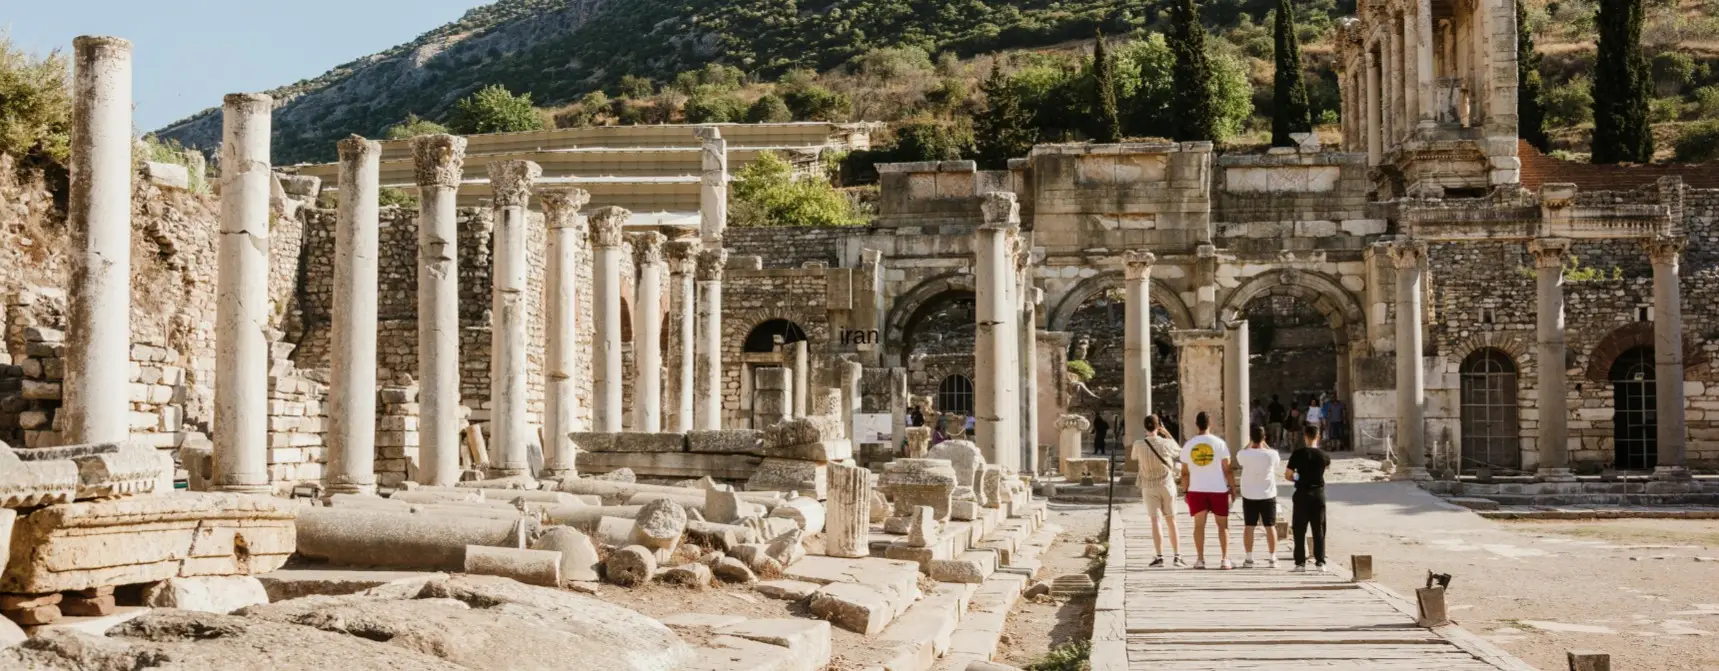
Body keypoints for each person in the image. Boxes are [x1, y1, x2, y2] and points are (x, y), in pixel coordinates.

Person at [1179, 411, 1237, 570]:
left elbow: (1184, 472)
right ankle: (1225, 559)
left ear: (1196, 425)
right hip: (1218, 488)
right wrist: (1233, 488)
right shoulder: (1219, 444)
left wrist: (1185, 491)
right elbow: (1227, 469)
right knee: (1223, 525)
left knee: (1199, 525)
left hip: (1196, 489)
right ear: (1210, 423)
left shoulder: (1189, 445)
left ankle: (1200, 559)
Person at [1130, 415, 1184, 567]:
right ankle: (1177, 556)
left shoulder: (1138, 444)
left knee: (1155, 521)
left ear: (1144, 427)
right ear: (1158, 426)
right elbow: (1179, 451)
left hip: (1149, 486)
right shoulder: (1166, 443)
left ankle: (1159, 557)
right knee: (1171, 520)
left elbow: (1134, 457)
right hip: (1167, 485)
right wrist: (1166, 433)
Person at [1285, 423, 1332, 572]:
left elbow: (1288, 474)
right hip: (1318, 494)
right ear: (1318, 436)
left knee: (1299, 529)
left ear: (1304, 436)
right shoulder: (1324, 456)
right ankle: (1320, 562)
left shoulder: (1297, 454)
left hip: (1302, 493)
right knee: (1318, 529)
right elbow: (1326, 469)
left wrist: (1297, 479)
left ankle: (1300, 563)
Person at [1236, 424, 1281, 568]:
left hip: (1249, 494)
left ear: (1251, 438)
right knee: (1270, 526)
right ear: (1264, 438)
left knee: (1249, 526)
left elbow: (1241, 455)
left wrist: (1250, 443)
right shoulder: (1272, 454)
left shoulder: (1244, 454)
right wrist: (1264, 443)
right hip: (1267, 493)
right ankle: (1273, 558)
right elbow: (1275, 462)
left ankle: (1249, 558)